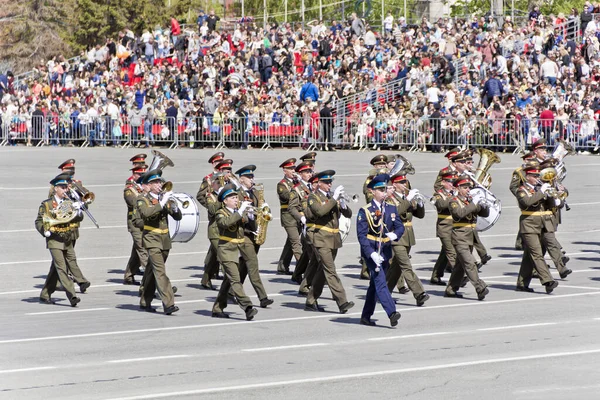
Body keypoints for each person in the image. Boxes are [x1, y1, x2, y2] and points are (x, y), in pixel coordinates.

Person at [304, 170, 354, 314]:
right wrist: (334, 199)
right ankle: (342, 301)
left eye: (330, 182)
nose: (329, 184)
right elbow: (320, 211)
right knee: (330, 271)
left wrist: (343, 204)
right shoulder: (313, 197)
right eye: (326, 182)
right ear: (318, 183)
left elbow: (348, 214)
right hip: (321, 239)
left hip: (333, 239)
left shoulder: (332, 196)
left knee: (322, 270)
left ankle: (311, 300)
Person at [357, 174, 403, 327]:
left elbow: (400, 226)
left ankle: (366, 316)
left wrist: (395, 234)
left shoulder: (390, 208)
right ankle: (392, 312)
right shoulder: (365, 211)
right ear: (373, 192)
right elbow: (362, 236)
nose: (384, 192)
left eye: (385, 189)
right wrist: (371, 254)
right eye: (381, 190)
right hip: (372, 251)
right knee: (381, 282)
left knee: (374, 286)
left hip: (385, 250)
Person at [211, 184, 259, 320]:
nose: (236, 200)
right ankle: (247, 307)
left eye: (236, 197)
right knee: (236, 280)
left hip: (238, 250)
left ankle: (217, 308)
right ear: (225, 201)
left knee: (228, 281)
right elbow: (226, 223)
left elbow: (251, 227)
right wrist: (241, 211)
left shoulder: (239, 211)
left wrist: (251, 217)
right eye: (232, 198)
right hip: (226, 251)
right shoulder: (220, 213)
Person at [36, 173, 85, 307]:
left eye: (66, 187)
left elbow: (78, 218)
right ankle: (72, 296)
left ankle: (45, 293)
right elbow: (39, 221)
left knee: (57, 268)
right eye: (63, 187)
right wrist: (44, 231)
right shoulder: (46, 205)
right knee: (62, 268)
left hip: (67, 239)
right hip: (54, 240)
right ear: (56, 188)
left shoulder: (69, 203)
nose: (66, 190)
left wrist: (78, 210)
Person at [137, 169, 181, 314]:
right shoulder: (142, 199)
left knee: (151, 272)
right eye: (155, 182)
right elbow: (146, 213)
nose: (159, 184)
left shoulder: (164, 198)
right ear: (148, 185)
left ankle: (145, 301)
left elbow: (178, 217)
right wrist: (162, 202)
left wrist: (173, 206)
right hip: (152, 239)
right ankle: (168, 303)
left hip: (165, 240)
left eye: (159, 181)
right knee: (160, 272)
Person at [385, 172, 430, 306]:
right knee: (406, 265)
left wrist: (420, 204)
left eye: (406, 182)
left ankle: (382, 292)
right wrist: (408, 200)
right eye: (402, 183)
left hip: (408, 235)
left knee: (396, 268)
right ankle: (419, 293)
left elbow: (419, 215)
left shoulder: (406, 198)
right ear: (394, 184)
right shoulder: (389, 198)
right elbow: (394, 213)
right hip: (396, 235)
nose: (405, 185)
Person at [515, 164, 559, 294]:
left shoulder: (540, 188)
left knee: (529, 256)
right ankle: (548, 281)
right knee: (537, 254)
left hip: (542, 225)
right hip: (528, 226)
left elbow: (549, 206)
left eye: (537, 176)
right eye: (534, 176)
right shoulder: (521, 190)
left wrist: (553, 197)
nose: (537, 178)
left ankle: (522, 284)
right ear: (528, 177)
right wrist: (542, 192)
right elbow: (527, 202)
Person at [444, 174, 490, 300]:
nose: (468, 190)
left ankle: (451, 289)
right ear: (458, 188)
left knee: (460, 266)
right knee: (470, 263)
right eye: (465, 188)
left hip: (470, 236)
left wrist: (484, 204)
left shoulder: (469, 200)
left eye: (469, 188)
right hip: (459, 236)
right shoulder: (453, 201)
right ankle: (480, 287)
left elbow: (484, 214)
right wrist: (474, 204)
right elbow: (459, 214)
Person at [234, 164, 274, 308]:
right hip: (244, 234)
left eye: (252, 176)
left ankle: (229, 291)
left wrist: (266, 210)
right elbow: (235, 215)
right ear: (241, 180)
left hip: (255, 234)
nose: (252, 179)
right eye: (249, 177)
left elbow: (263, 208)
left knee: (243, 266)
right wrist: (248, 212)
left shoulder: (256, 193)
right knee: (253, 265)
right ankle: (263, 297)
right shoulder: (236, 194)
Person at [196, 152, 225, 287]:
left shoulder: (226, 178)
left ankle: (206, 278)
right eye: (218, 162)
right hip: (215, 216)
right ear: (213, 164)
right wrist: (210, 205)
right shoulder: (208, 179)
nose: (220, 164)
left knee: (215, 251)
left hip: (227, 217)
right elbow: (200, 196)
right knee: (221, 251)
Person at [430, 170, 458, 285]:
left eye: (453, 181)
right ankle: (461, 275)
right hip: (444, 227)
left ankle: (436, 276)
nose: (452, 184)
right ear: (443, 182)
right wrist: (454, 197)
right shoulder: (438, 195)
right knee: (451, 252)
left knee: (445, 253)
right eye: (450, 181)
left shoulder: (454, 193)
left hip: (455, 227)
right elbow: (442, 205)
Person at [123, 164, 148, 285]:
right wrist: (144, 193)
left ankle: (129, 275)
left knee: (136, 252)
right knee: (142, 249)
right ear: (134, 174)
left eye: (143, 174)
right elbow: (134, 203)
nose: (142, 176)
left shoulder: (145, 186)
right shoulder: (129, 189)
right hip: (134, 223)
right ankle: (152, 278)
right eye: (139, 174)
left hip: (144, 221)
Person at [276, 158, 300, 275]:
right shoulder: (282, 184)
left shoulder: (296, 182)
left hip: (298, 214)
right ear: (285, 171)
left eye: (294, 168)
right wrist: (297, 186)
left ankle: (282, 265)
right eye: (290, 169)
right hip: (288, 216)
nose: (293, 170)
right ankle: (302, 269)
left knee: (291, 242)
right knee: (296, 242)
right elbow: (286, 196)